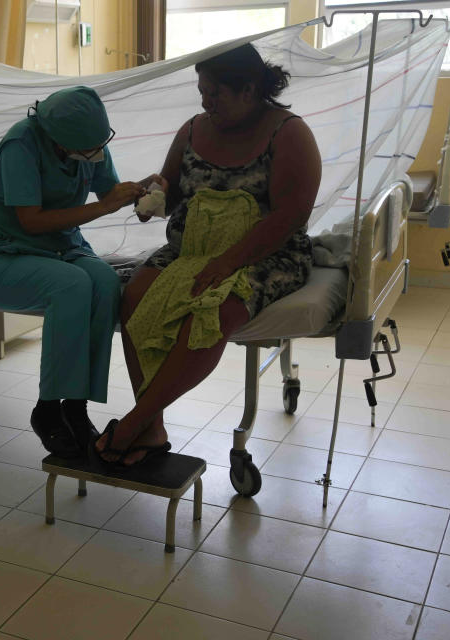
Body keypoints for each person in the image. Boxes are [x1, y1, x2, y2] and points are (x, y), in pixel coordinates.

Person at [94, 44, 322, 467]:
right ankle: (153, 425)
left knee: (211, 314)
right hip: (193, 247)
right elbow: (172, 192)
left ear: (249, 89)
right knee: (134, 298)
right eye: (202, 91)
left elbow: (291, 216)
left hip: (265, 253)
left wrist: (228, 262)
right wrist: (153, 195)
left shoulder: (289, 134)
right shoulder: (194, 129)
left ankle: (132, 425)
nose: (205, 101)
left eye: (215, 93)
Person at [0, 86, 159, 457]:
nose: (97, 153)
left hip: (61, 245)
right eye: (90, 148)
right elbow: (31, 221)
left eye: (101, 143)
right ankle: (48, 410)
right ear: (57, 139)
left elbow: (108, 192)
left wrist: (139, 191)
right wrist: (106, 209)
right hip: (4, 249)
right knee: (71, 285)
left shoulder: (87, 140)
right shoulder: (20, 144)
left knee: (102, 281)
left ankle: (76, 407)